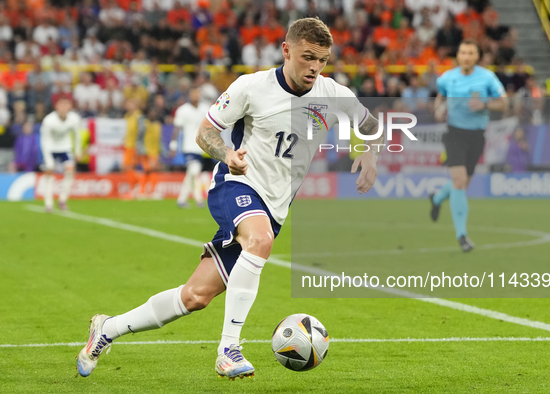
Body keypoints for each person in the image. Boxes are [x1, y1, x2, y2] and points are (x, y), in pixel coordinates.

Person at [76, 17, 383, 380]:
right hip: (235, 184)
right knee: (260, 239)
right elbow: (206, 133)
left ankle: (107, 329)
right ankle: (228, 350)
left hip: (275, 206)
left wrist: (369, 153)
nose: (315, 67)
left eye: (322, 60)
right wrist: (227, 155)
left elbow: (369, 125)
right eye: (307, 57)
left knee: (195, 297)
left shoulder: (334, 96)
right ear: (286, 50)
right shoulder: (251, 87)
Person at [429, 39, 507, 252]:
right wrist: (438, 109)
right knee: (459, 180)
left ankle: (436, 199)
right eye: (463, 52)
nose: (466, 56)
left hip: (476, 136)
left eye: (470, 53)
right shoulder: (447, 78)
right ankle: (462, 236)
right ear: (458, 55)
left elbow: (503, 102)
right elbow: (440, 97)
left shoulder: (487, 78)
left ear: (476, 56)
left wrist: (485, 104)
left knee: (461, 185)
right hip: (454, 134)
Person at [40, 97, 83, 212]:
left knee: (70, 171)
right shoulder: (49, 120)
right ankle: (48, 204)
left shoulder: (74, 119)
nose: (63, 108)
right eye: (61, 105)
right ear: (56, 107)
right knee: (49, 173)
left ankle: (62, 200)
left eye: (66, 105)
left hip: (65, 147)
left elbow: (77, 136)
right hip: (50, 147)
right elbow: (44, 140)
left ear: (70, 107)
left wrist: (78, 152)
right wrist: (48, 159)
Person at [170, 87, 209, 208]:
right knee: (194, 171)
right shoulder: (183, 110)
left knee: (191, 174)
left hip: (201, 147)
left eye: (197, 93)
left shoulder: (205, 109)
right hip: (188, 146)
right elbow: (177, 128)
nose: (195, 96)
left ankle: (182, 200)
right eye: (193, 93)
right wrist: (173, 144)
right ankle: (199, 199)